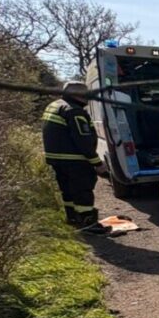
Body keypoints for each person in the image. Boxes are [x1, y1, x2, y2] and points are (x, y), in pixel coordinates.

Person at [41, 82, 109, 234]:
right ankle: (88, 223)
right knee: (82, 190)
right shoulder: (75, 111)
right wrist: (97, 163)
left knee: (68, 190)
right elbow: (83, 140)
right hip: (74, 160)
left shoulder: (55, 105)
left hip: (57, 159)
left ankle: (72, 218)